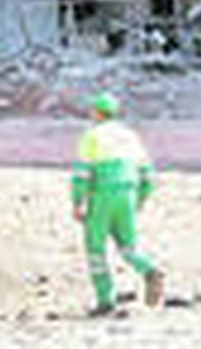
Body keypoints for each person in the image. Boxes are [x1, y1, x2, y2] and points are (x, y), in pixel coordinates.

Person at [71, 91, 164, 315]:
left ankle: (106, 300)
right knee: (128, 247)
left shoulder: (91, 136)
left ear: (97, 113)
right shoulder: (130, 136)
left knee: (96, 249)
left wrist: (78, 202)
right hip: (129, 192)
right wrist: (140, 200)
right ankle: (149, 269)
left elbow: (82, 173)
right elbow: (148, 175)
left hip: (101, 194)